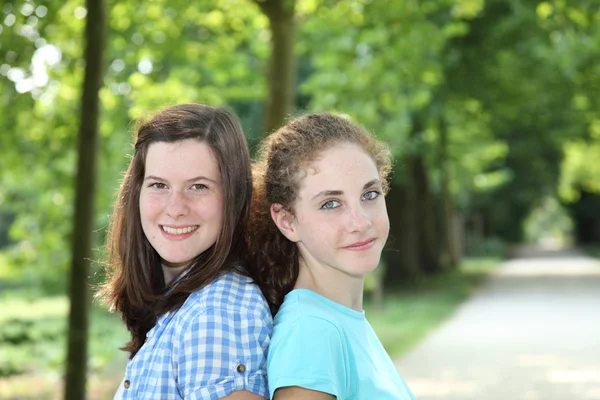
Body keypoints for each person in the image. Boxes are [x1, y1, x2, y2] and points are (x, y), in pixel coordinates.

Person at [98, 104, 272, 399]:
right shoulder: (184, 305)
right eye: (159, 185)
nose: (175, 208)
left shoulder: (215, 314)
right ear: (136, 193)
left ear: (234, 197)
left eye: (199, 187)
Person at [248, 113, 416, 400]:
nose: (360, 221)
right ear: (287, 221)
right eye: (331, 203)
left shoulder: (341, 320)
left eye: (370, 194)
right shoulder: (311, 332)